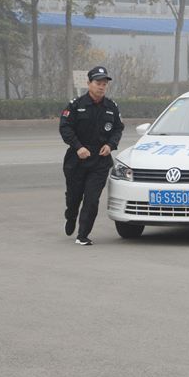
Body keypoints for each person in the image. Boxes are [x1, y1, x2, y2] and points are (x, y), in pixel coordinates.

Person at [59, 66, 124, 245]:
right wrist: (78, 147)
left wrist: (110, 145)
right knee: (74, 198)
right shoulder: (76, 105)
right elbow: (65, 127)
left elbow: (118, 128)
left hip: (100, 161)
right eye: (98, 83)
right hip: (77, 159)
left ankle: (83, 235)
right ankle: (71, 215)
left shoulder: (111, 107)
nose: (101, 87)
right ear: (89, 84)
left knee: (92, 199)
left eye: (104, 84)